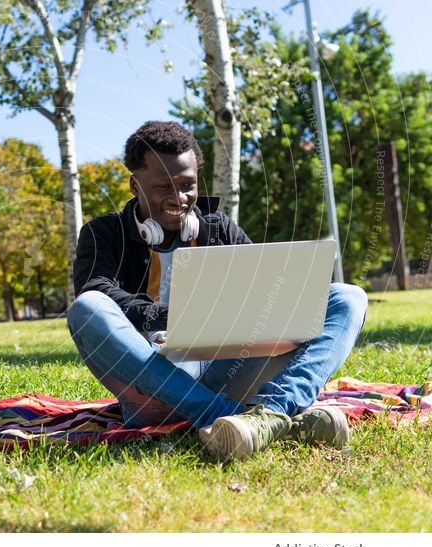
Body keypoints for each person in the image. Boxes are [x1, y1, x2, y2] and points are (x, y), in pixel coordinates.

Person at [67, 120, 368, 460]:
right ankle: (229, 416)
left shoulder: (218, 226)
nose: (178, 199)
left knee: (347, 296)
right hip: (153, 386)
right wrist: (177, 317)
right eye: (163, 187)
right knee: (87, 307)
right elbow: (97, 288)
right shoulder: (102, 233)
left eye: (187, 186)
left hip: (228, 369)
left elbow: (263, 286)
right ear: (135, 185)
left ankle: (274, 411)